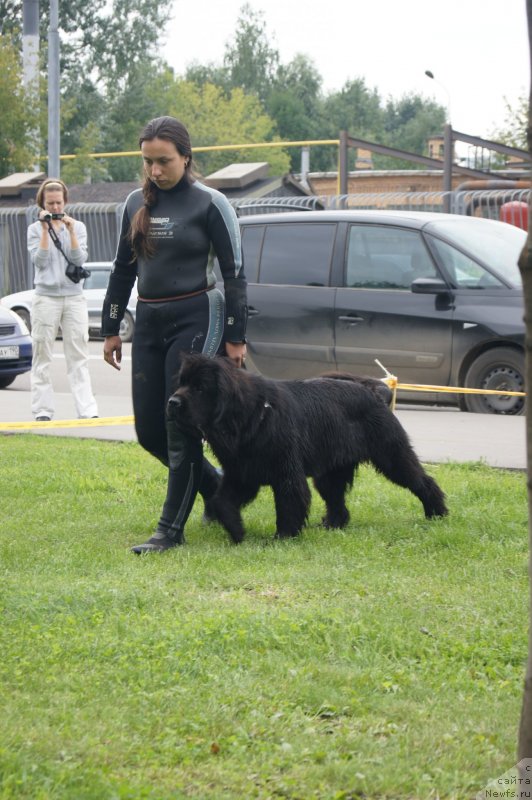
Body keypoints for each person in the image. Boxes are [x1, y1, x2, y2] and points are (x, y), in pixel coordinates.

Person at [102, 116, 247, 554]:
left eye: (163, 161)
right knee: (150, 433)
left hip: (197, 317)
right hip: (148, 321)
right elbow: (122, 270)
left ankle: (170, 531)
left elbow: (235, 275)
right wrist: (110, 328)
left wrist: (237, 338)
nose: (155, 171)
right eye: (147, 162)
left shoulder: (211, 203)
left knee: (179, 423)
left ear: (186, 157)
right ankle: (215, 485)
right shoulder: (133, 204)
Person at [27, 178, 99, 422]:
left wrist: (69, 231)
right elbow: (40, 261)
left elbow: (79, 260)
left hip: (73, 297)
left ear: (65, 202)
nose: (56, 207)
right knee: (42, 354)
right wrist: (46, 230)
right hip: (46, 297)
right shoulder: (34, 230)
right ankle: (42, 410)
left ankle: (87, 409)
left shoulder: (77, 226)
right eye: (51, 203)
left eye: (59, 202)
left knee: (78, 354)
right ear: (43, 204)